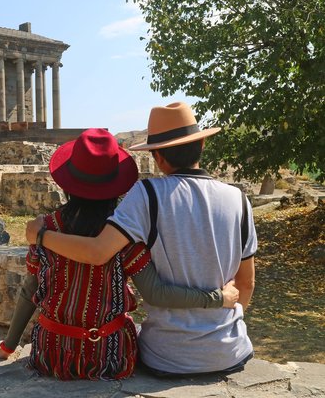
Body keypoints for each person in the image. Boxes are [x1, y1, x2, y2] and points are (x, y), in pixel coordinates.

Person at [0, 127, 239, 380]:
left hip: (51, 355)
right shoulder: (124, 235)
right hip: (109, 358)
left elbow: (31, 290)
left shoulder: (46, 229)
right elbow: (155, 292)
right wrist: (218, 298)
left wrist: (7, 346)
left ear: (67, 181)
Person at [25, 103, 257, 376]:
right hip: (230, 351)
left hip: (166, 356)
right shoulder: (239, 199)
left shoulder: (147, 193)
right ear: (202, 144)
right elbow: (246, 283)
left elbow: (99, 252)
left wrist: (40, 235)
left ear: (157, 157)